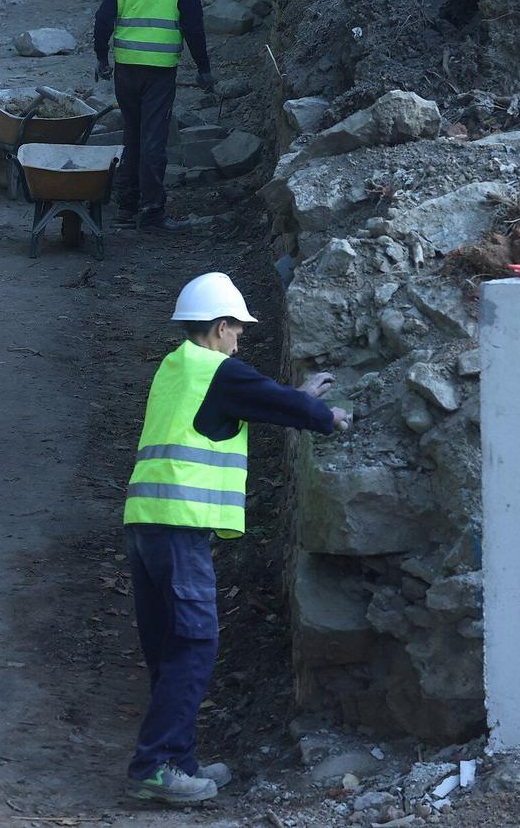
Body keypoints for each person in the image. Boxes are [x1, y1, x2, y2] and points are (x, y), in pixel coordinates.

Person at [123, 272, 349, 806]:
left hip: (146, 523)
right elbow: (261, 397)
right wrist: (325, 415)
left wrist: (294, 401)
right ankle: (156, 767)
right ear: (221, 326)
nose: (240, 339)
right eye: (238, 331)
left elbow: (249, 403)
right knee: (196, 640)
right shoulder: (217, 370)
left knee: (168, 644)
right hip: (178, 527)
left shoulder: (176, 367)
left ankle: (177, 758)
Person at [92, 0, 213, 230]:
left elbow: (104, 18)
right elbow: (193, 25)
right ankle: (152, 209)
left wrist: (101, 58)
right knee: (154, 139)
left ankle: (126, 205)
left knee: (132, 134)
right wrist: (203, 68)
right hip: (159, 71)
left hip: (126, 69)